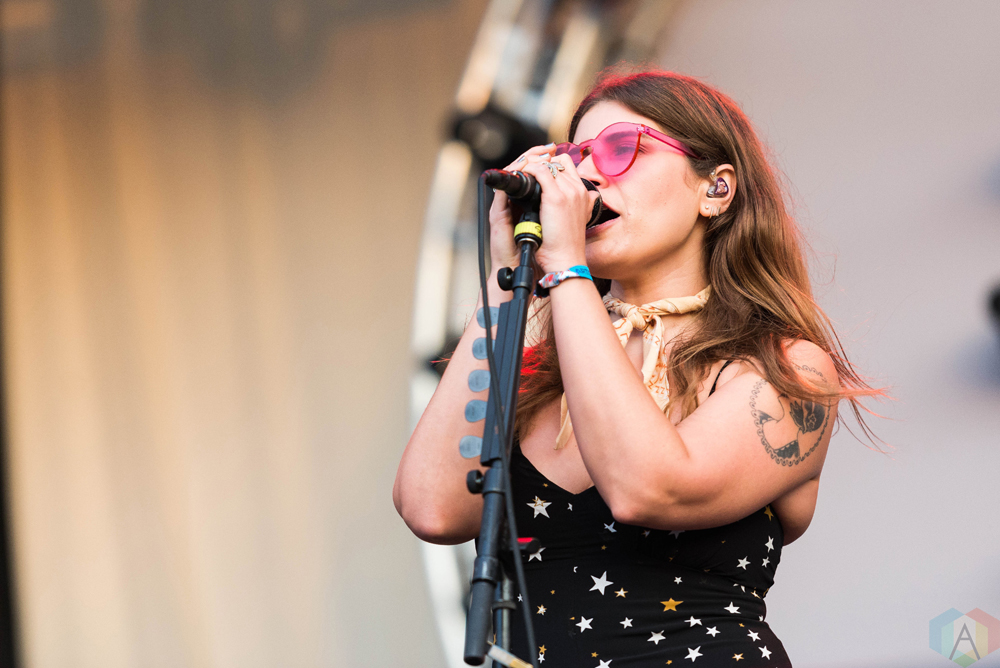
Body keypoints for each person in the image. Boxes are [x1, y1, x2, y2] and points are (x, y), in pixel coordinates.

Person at [393, 70, 881, 667]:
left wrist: (567, 268)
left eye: (622, 149)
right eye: (576, 157)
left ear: (715, 189)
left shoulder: (786, 369)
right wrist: (506, 278)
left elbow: (646, 489)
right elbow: (432, 508)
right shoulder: (541, 364)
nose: (587, 176)